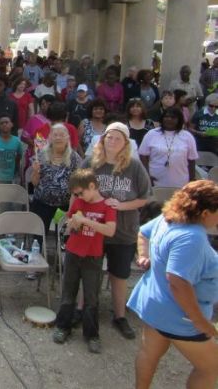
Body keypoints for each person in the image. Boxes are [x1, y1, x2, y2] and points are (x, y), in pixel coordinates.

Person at [128, 180, 218, 389]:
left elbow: (143, 232)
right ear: (204, 212)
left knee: (149, 353)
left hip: (155, 307)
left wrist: (144, 255)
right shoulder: (191, 237)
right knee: (211, 368)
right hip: (180, 317)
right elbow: (177, 281)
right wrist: (199, 321)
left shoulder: (168, 218)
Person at [82, 122, 151, 340]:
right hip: (95, 228)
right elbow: (76, 191)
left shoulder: (135, 166)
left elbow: (145, 197)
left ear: (125, 143)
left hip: (123, 229)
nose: (112, 141)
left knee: (119, 275)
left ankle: (120, 316)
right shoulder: (91, 163)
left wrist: (121, 206)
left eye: (117, 138)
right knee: (89, 271)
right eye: (108, 137)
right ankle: (82, 309)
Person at [52, 169, 117, 354]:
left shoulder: (107, 206)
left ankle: (92, 335)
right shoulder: (79, 202)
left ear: (92, 186)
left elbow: (109, 230)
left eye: (80, 193)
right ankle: (63, 326)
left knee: (91, 297)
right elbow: (71, 222)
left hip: (93, 255)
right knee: (68, 292)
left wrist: (86, 221)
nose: (79, 197)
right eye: (75, 194)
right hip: (73, 252)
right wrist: (73, 222)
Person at [30, 124, 83, 248]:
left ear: (67, 138)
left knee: (67, 235)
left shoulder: (75, 158)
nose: (58, 137)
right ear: (49, 137)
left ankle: (63, 256)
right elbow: (34, 183)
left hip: (66, 203)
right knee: (38, 235)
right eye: (55, 135)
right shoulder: (41, 155)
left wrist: (72, 208)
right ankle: (37, 253)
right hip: (43, 201)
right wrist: (36, 171)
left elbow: (80, 183)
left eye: (62, 135)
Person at [139, 107, 198, 188]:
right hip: (154, 181)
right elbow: (142, 156)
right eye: (166, 117)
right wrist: (147, 176)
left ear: (179, 120)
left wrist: (191, 181)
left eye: (173, 117)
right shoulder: (152, 134)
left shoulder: (187, 136)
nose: (169, 119)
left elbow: (191, 160)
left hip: (181, 183)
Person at [0, 116, 24, 184]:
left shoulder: (17, 141)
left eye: (6, 122)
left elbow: (19, 156)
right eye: (1, 123)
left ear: (12, 124)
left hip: (11, 178)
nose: (4, 124)